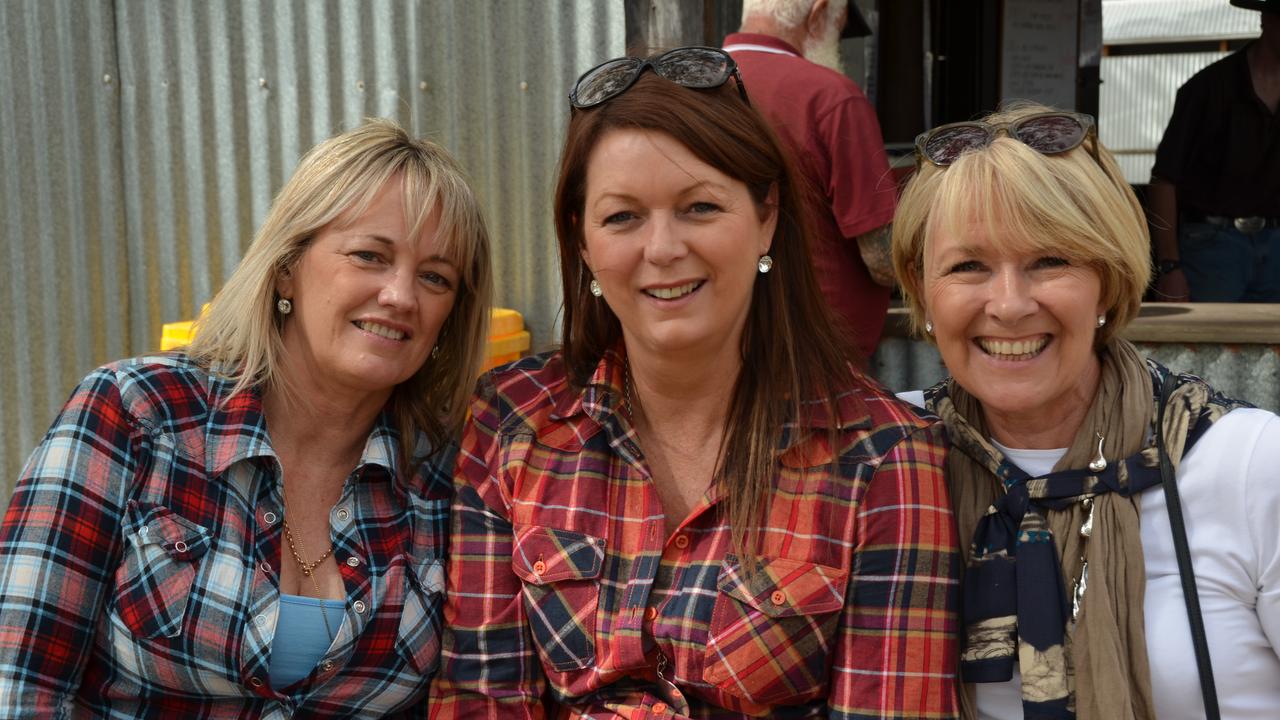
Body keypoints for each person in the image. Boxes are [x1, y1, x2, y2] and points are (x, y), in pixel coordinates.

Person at [429, 47, 960, 718]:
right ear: (583, 241)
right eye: (623, 217)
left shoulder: (885, 457)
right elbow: (480, 698)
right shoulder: (513, 420)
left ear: (766, 216)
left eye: (699, 207)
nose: (663, 249)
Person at [0, 118, 493, 716]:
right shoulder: (134, 413)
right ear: (288, 264)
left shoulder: (448, 479)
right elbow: (19, 681)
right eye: (370, 255)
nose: (401, 295)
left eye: (435, 277)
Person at [892, 104, 1280, 719]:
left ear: (1109, 277)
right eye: (969, 266)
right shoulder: (888, 459)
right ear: (922, 289)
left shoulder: (1251, 462)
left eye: (1050, 261)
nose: (1010, 304)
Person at [723, 0, 897, 360]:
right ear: (819, 12)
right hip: (820, 360)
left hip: (722, 349)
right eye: (841, 24)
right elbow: (884, 261)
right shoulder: (831, 96)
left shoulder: (687, 87)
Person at [1149, 0, 1280, 302]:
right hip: (1212, 246)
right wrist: (1169, 267)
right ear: (1267, 20)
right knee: (1202, 342)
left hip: (1276, 247)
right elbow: (1164, 180)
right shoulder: (1208, 89)